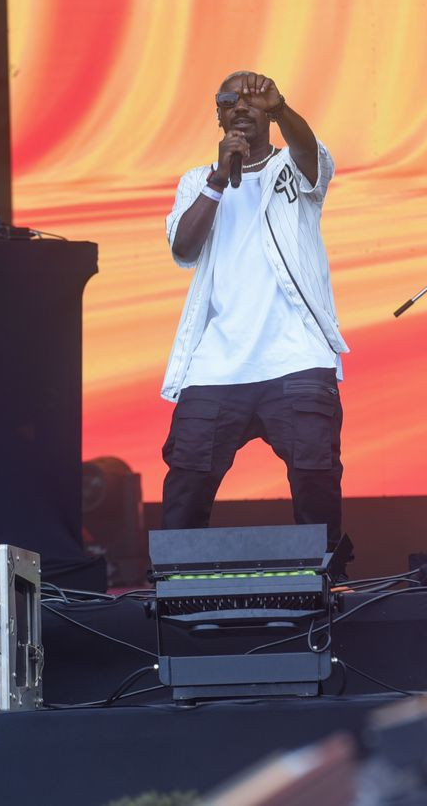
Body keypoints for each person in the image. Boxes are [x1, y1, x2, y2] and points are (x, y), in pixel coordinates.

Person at [159, 70, 349, 548]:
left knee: (316, 481)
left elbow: (309, 152)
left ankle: (327, 580)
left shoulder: (294, 167)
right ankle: (177, 585)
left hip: (297, 358)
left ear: (269, 114)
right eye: (230, 101)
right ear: (218, 116)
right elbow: (184, 248)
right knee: (186, 484)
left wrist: (282, 108)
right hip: (217, 364)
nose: (242, 107)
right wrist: (218, 181)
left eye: (254, 100)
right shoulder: (197, 181)